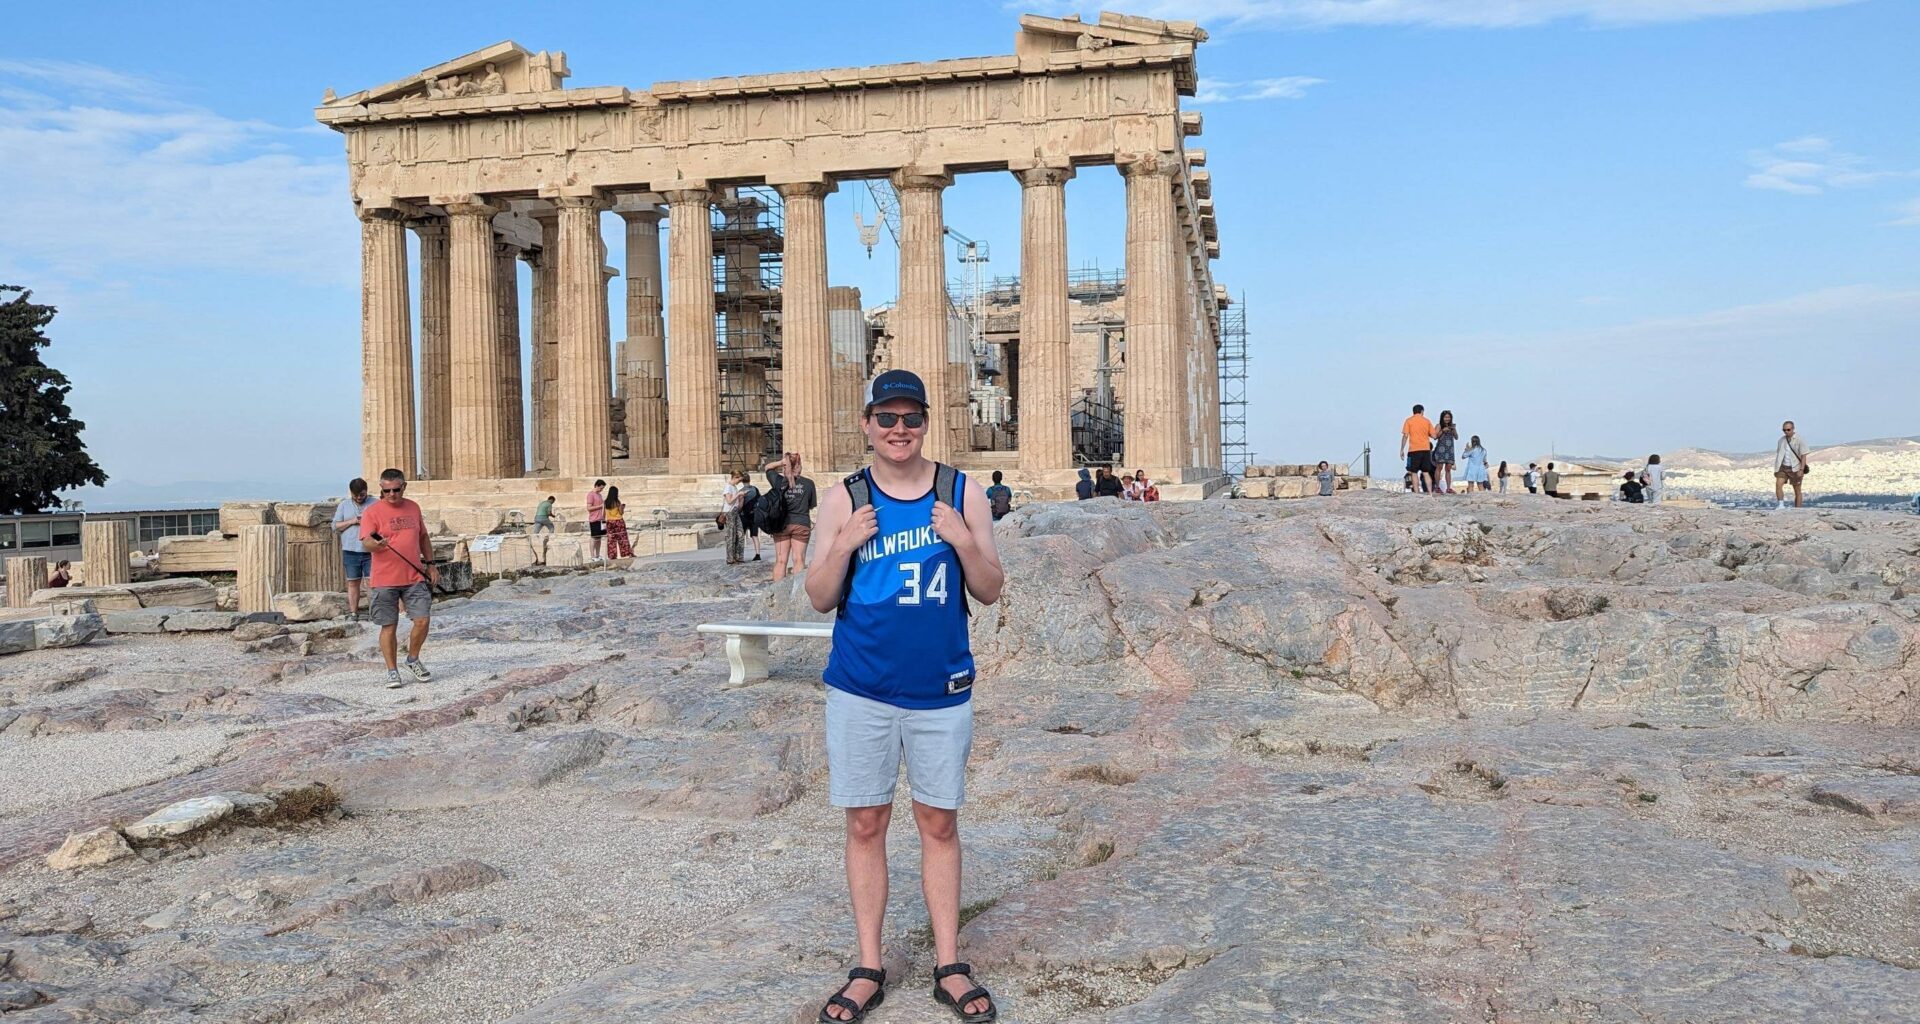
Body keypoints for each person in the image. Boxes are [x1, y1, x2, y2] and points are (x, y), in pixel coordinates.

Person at [803, 369, 1005, 1024]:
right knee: (865, 823)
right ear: (867, 425)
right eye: (885, 419)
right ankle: (869, 966)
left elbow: (990, 587)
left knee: (938, 823)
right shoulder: (843, 499)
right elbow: (818, 594)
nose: (898, 430)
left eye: (909, 419)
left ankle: (950, 963)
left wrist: (964, 537)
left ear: (924, 424)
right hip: (861, 688)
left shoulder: (960, 492)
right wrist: (843, 544)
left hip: (940, 690)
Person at [359, 468, 438, 690]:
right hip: (384, 579)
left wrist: (431, 565)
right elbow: (366, 541)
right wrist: (376, 544)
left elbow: (423, 536)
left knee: (423, 620)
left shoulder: (413, 507)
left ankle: (412, 659)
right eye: (386, 491)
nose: (391, 494)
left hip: (413, 575)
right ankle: (392, 671)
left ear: (404, 487)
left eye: (396, 489)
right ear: (381, 490)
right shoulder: (372, 512)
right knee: (389, 626)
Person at [766, 452, 818, 582]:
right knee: (799, 559)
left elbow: (768, 468)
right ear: (799, 466)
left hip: (781, 524)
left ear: (785, 466)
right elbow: (811, 505)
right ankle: (796, 596)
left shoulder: (778, 481)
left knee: (781, 561)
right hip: (801, 523)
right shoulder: (808, 483)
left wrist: (781, 462)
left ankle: (777, 594)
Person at [333, 478, 374, 620]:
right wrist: (353, 521)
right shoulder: (344, 505)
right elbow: (335, 526)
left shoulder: (375, 503)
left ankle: (373, 613)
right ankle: (353, 613)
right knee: (353, 582)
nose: (359, 498)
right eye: (356, 495)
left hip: (371, 550)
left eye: (362, 495)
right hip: (350, 549)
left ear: (366, 492)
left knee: (372, 583)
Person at [1399, 404, 1436, 494]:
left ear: (1413, 412)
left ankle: (1417, 492)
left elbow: (1405, 435)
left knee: (1414, 472)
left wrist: (1402, 449)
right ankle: (1430, 492)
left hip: (1413, 450)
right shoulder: (1427, 421)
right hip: (1426, 449)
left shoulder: (1408, 421)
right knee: (1426, 472)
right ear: (1422, 411)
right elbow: (1434, 435)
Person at [1774, 421, 1811, 510]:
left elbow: (1803, 455)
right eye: (1784, 430)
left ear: (1793, 429)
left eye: (1788, 429)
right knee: (1778, 484)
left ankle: (1797, 509)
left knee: (1797, 490)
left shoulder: (1799, 439)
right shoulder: (1781, 440)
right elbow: (1779, 453)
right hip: (1783, 467)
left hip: (1795, 467)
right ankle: (1781, 505)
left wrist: (1801, 469)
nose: (1786, 432)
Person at [722, 471, 749, 564]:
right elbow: (729, 501)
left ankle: (739, 556)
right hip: (729, 513)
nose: (739, 482)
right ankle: (730, 558)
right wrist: (738, 495)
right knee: (731, 536)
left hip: (736, 512)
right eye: (739, 480)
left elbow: (737, 504)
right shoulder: (728, 487)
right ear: (735, 477)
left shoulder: (734, 487)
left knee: (740, 534)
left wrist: (742, 497)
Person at [603, 485, 634, 560]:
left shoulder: (605, 502)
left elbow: (603, 513)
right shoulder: (617, 502)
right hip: (618, 521)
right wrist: (622, 507)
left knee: (611, 540)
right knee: (622, 538)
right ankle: (626, 553)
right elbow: (621, 512)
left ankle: (612, 555)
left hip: (609, 522)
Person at [1432, 411, 1459, 494]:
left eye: (1449, 417)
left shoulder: (1452, 426)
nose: (1447, 419)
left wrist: (1453, 429)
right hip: (1441, 449)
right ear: (1442, 418)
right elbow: (1435, 436)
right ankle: (1437, 487)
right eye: (1445, 417)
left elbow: (1456, 437)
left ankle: (1448, 488)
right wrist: (1443, 430)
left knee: (1448, 468)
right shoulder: (1439, 426)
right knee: (1439, 467)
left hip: (1449, 449)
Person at [586, 480, 607, 560]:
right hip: (594, 519)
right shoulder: (591, 495)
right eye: (601, 488)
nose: (601, 490)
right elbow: (589, 508)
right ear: (597, 486)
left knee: (599, 537)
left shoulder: (600, 495)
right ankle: (592, 556)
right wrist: (600, 506)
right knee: (594, 537)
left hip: (601, 518)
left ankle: (598, 555)